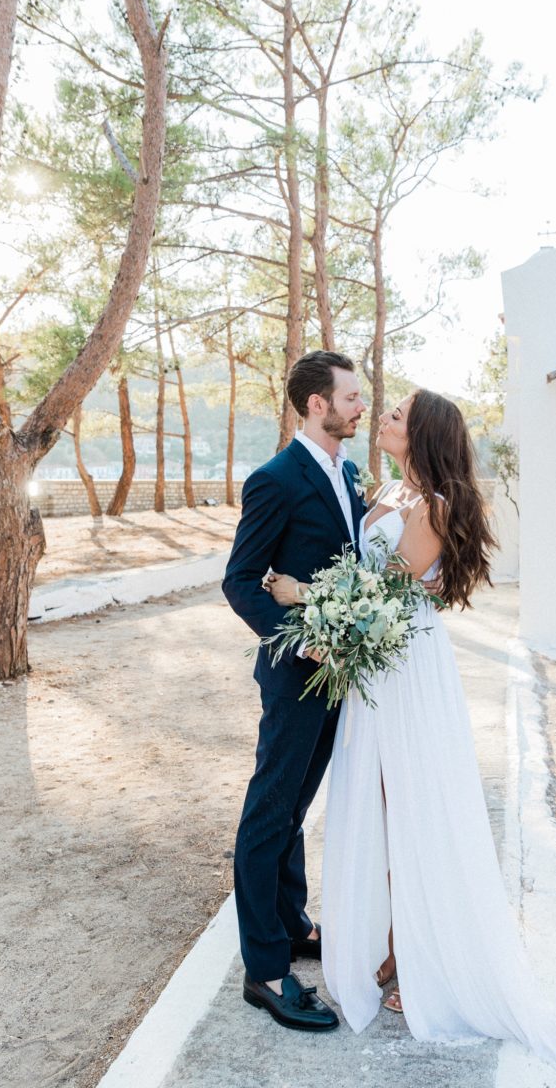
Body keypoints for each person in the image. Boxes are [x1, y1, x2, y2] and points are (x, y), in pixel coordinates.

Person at [267, 389, 556, 1073]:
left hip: (405, 667)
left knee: (410, 804)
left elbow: (385, 594)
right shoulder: (388, 489)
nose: (382, 418)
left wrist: (302, 599)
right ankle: (385, 942)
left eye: (397, 415)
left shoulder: (432, 503)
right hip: (377, 668)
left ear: (424, 433)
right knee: (374, 804)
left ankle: (412, 952)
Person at [222, 350, 367, 1032]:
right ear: (316, 404)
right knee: (268, 814)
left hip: (339, 674)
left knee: (296, 808)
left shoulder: (352, 471)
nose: (360, 405)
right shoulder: (275, 479)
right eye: (350, 397)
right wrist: (298, 636)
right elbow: (242, 579)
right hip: (294, 675)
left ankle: (292, 924)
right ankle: (266, 971)